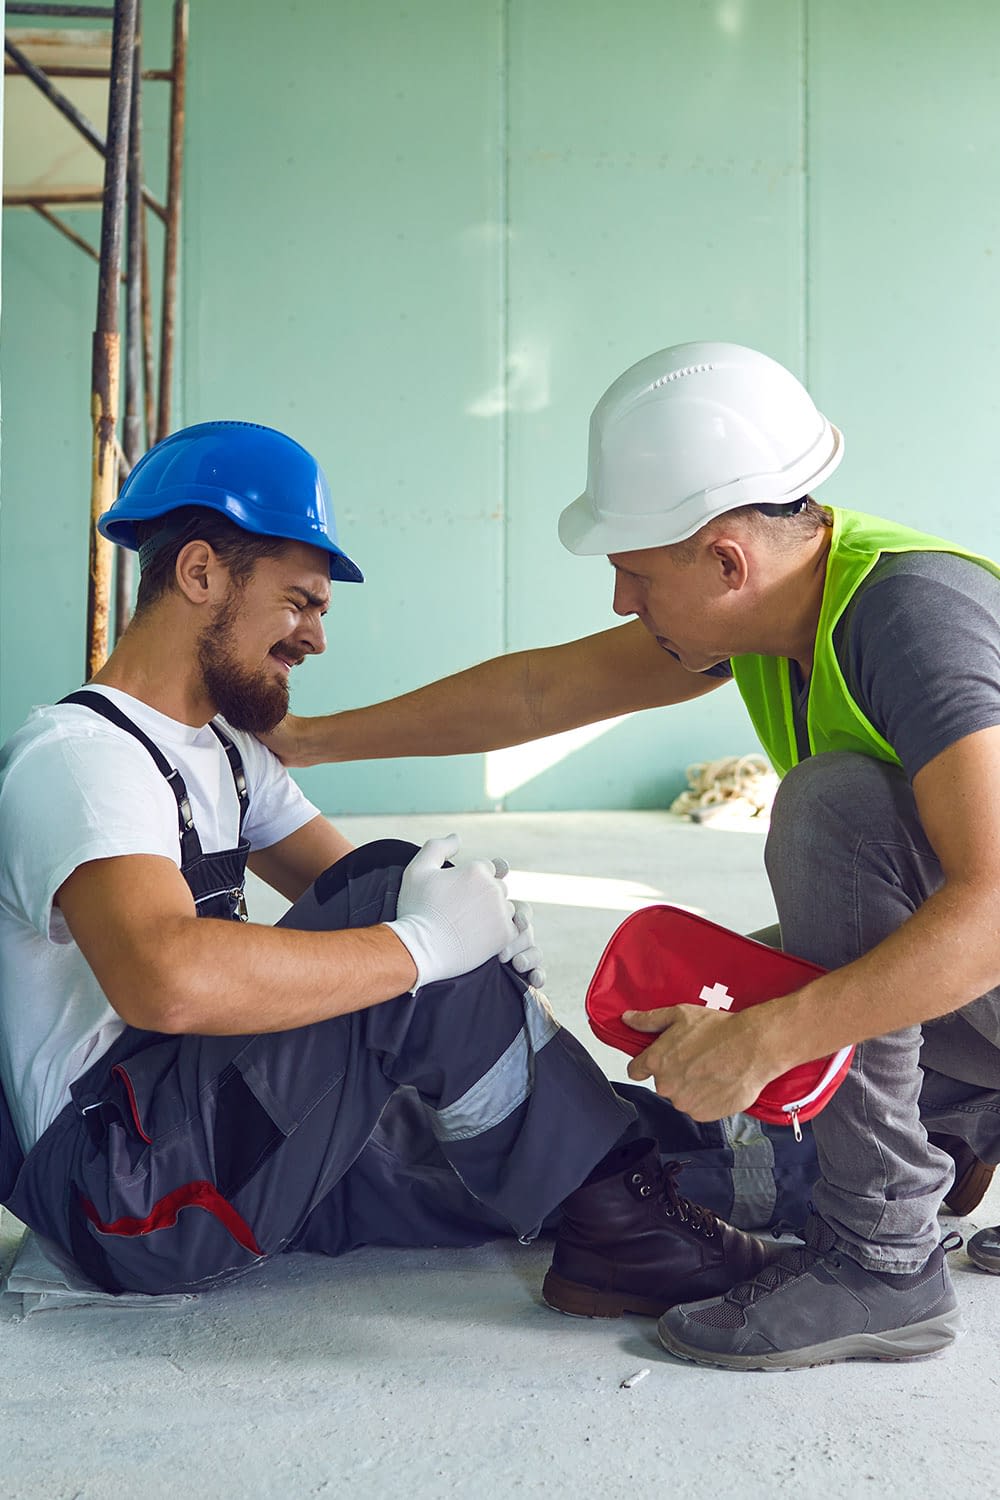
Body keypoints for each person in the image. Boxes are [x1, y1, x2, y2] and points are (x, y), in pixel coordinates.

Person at [261, 341, 1000, 1371]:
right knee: (729, 979)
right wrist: (304, 741)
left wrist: (774, 1037)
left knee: (830, 820)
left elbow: (990, 911)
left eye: (635, 573)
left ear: (727, 562)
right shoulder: (778, 610)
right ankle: (965, 1116)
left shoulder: (911, 621)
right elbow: (539, 693)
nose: (620, 600)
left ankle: (881, 1260)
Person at [0, 417, 778, 1315]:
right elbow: (165, 981)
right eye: (299, 602)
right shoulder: (81, 757)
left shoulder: (225, 752)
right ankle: (627, 1239)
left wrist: (475, 936)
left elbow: (376, 887)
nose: (315, 638)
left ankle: (784, 1175)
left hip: (216, 1130)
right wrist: (428, 945)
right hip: (123, 1189)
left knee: (500, 1133)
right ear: (201, 572)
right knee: (396, 910)